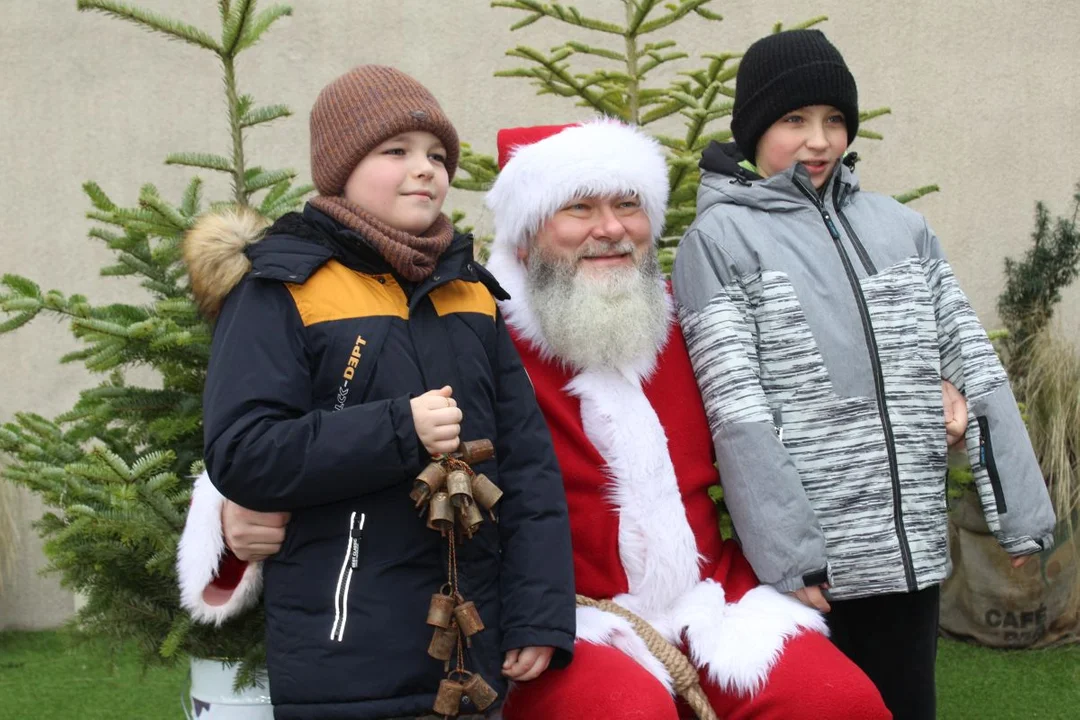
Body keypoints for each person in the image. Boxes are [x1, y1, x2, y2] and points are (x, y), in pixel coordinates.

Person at [185, 118, 909, 719]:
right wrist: (225, 515)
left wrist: (928, 384)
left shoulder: (685, 325)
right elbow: (297, 418)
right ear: (530, 234)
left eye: (628, 207)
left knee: (838, 699)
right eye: (580, 210)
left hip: (710, 601)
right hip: (565, 614)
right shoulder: (473, 318)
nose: (610, 231)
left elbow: (795, 410)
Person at [672, 29, 1058, 720]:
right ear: (755, 129)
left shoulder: (901, 228)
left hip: (912, 556)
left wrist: (1023, 516)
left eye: (833, 120)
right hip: (817, 572)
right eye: (794, 120)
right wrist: (791, 561)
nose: (818, 140)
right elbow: (739, 412)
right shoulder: (720, 242)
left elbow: (974, 362)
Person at [178, 65, 576, 719]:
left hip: (471, 660)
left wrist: (539, 614)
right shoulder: (281, 288)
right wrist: (400, 430)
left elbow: (527, 465)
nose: (425, 169)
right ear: (340, 168)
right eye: (396, 151)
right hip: (348, 661)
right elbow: (246, 451)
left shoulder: (470, 292)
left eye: (437, 155)